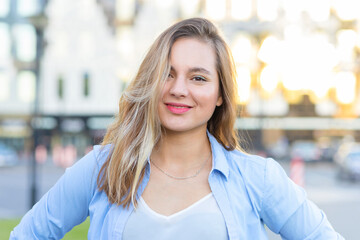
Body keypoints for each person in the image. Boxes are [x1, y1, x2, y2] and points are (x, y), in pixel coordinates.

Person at [11, 18, 343, 240]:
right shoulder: (103, 168)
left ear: (220, 95)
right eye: (167, 74)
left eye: (198, 77)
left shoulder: (258, 178)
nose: (178, 88)